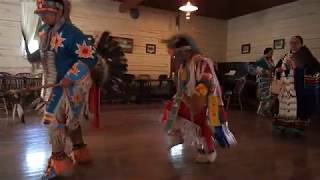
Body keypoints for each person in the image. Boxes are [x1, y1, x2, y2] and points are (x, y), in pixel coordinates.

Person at [34, 0, 98, 178]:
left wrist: (71, 76)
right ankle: (80, 151)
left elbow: (90, 58)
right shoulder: (44, 32)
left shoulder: (72, 32)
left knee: (54, 122)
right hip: (52, 85)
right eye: (41, 14)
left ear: (59, 11)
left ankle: (58, 160)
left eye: (47, 13)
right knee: (68, 122)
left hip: (71, 86)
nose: (43, 17)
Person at [161, 34, 236, 163]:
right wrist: (181, 97)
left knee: (202, 124)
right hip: (190, 101)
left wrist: (195, 99)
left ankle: (208, 152)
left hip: (209, 103)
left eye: (176, 54)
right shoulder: (182, 67)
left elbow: (206, 82)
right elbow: (182, 88)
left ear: (185, 50)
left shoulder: (202, 62)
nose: (175, 57)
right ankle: (179, 136)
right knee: (172, 108)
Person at [273, 35, 320, 135]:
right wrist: (278, 70)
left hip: (300, 89)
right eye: (291, 42)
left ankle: (298, 128)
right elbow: (277, 70)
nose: (293, 44)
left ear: (301, 44)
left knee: (300, 108)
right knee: (284, 108)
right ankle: (283, 125)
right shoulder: (284, 56)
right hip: (286, 88)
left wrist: (297, 67)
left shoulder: (307, 56)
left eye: (296, 42)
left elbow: (315, 70)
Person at [256, 48, 275, 117]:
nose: (272, 54)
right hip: (263, 80)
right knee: (264, 96)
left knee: (270, 96)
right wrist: (266, 72)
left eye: (272, 53)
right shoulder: (261, 59)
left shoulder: (271, 60)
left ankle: (266, 109)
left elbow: (272, 68)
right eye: (270, 52)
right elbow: (258, 71)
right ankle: (261, 111)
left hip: (269, 80)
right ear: (266, 53)